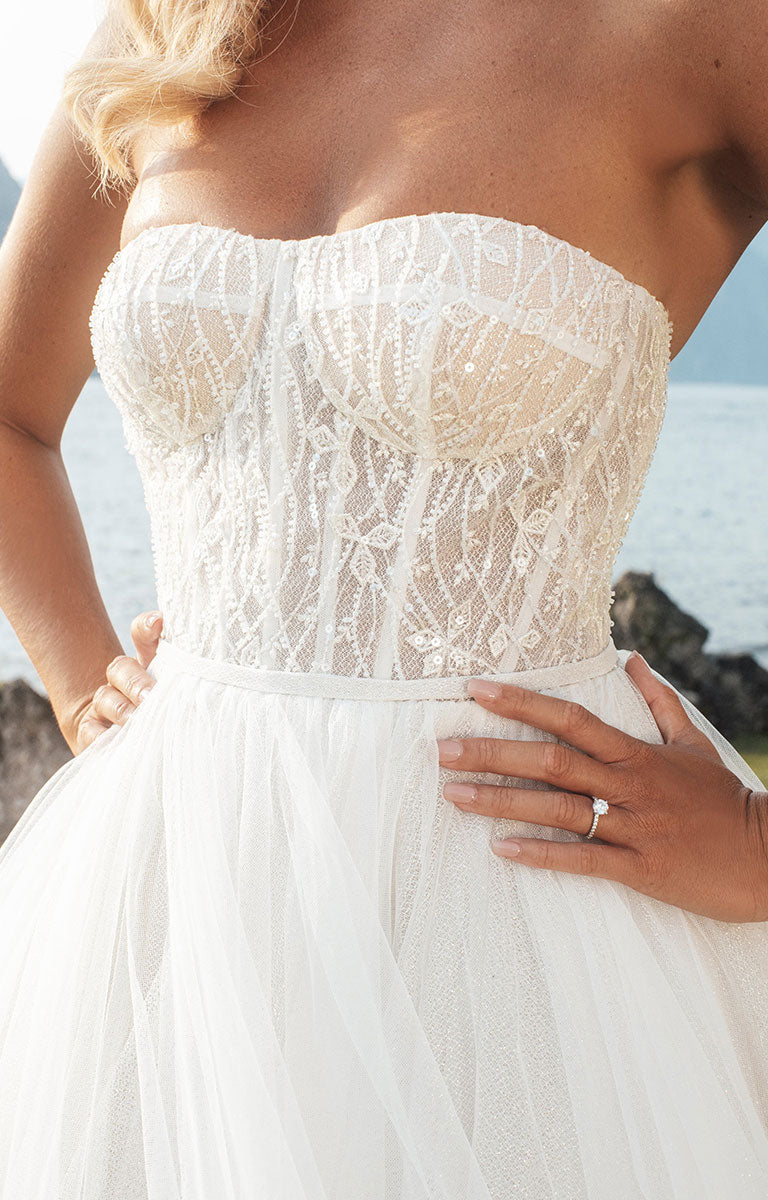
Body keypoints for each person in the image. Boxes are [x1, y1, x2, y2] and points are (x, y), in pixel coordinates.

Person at [0, 1, 767, 1195]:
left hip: (531, 917)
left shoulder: (694, 28)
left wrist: (764, 847)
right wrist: (78, 676)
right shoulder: (164, 29)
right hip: (175, 890)